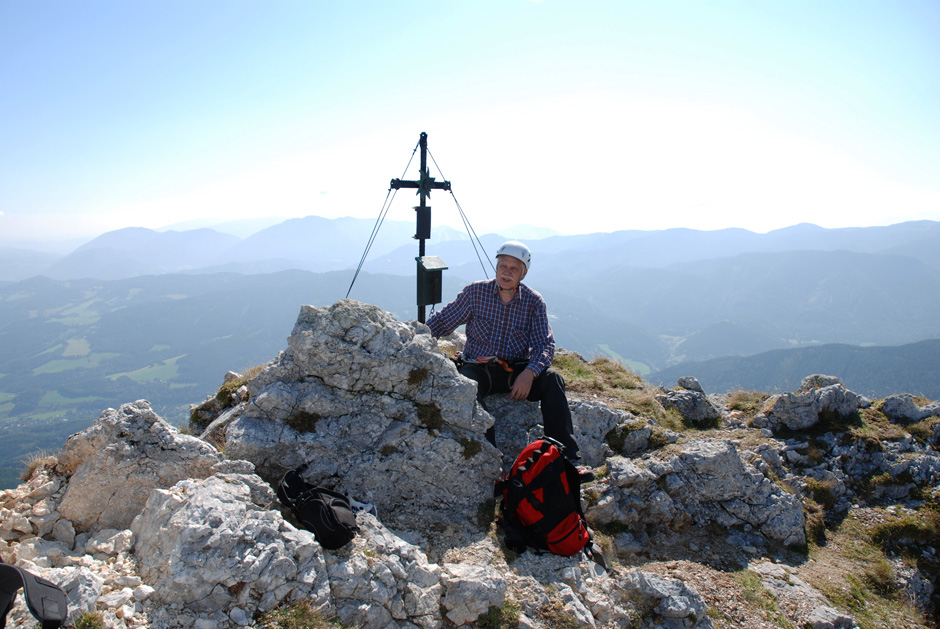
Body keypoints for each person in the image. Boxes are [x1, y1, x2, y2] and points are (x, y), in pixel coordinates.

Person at [426, 240, 581, 463]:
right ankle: (490, 464)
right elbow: (442, 322)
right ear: (496, 267)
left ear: (523, 274)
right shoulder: (475, 293)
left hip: (515, 371)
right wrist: (416, 341)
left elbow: (544, 345)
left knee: (552, 379)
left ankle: (567, 459)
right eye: (502, 266)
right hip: (480, 368)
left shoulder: (533, 302)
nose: (506, 273)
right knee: (466, 386)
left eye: (514, 268)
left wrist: (529, 374)